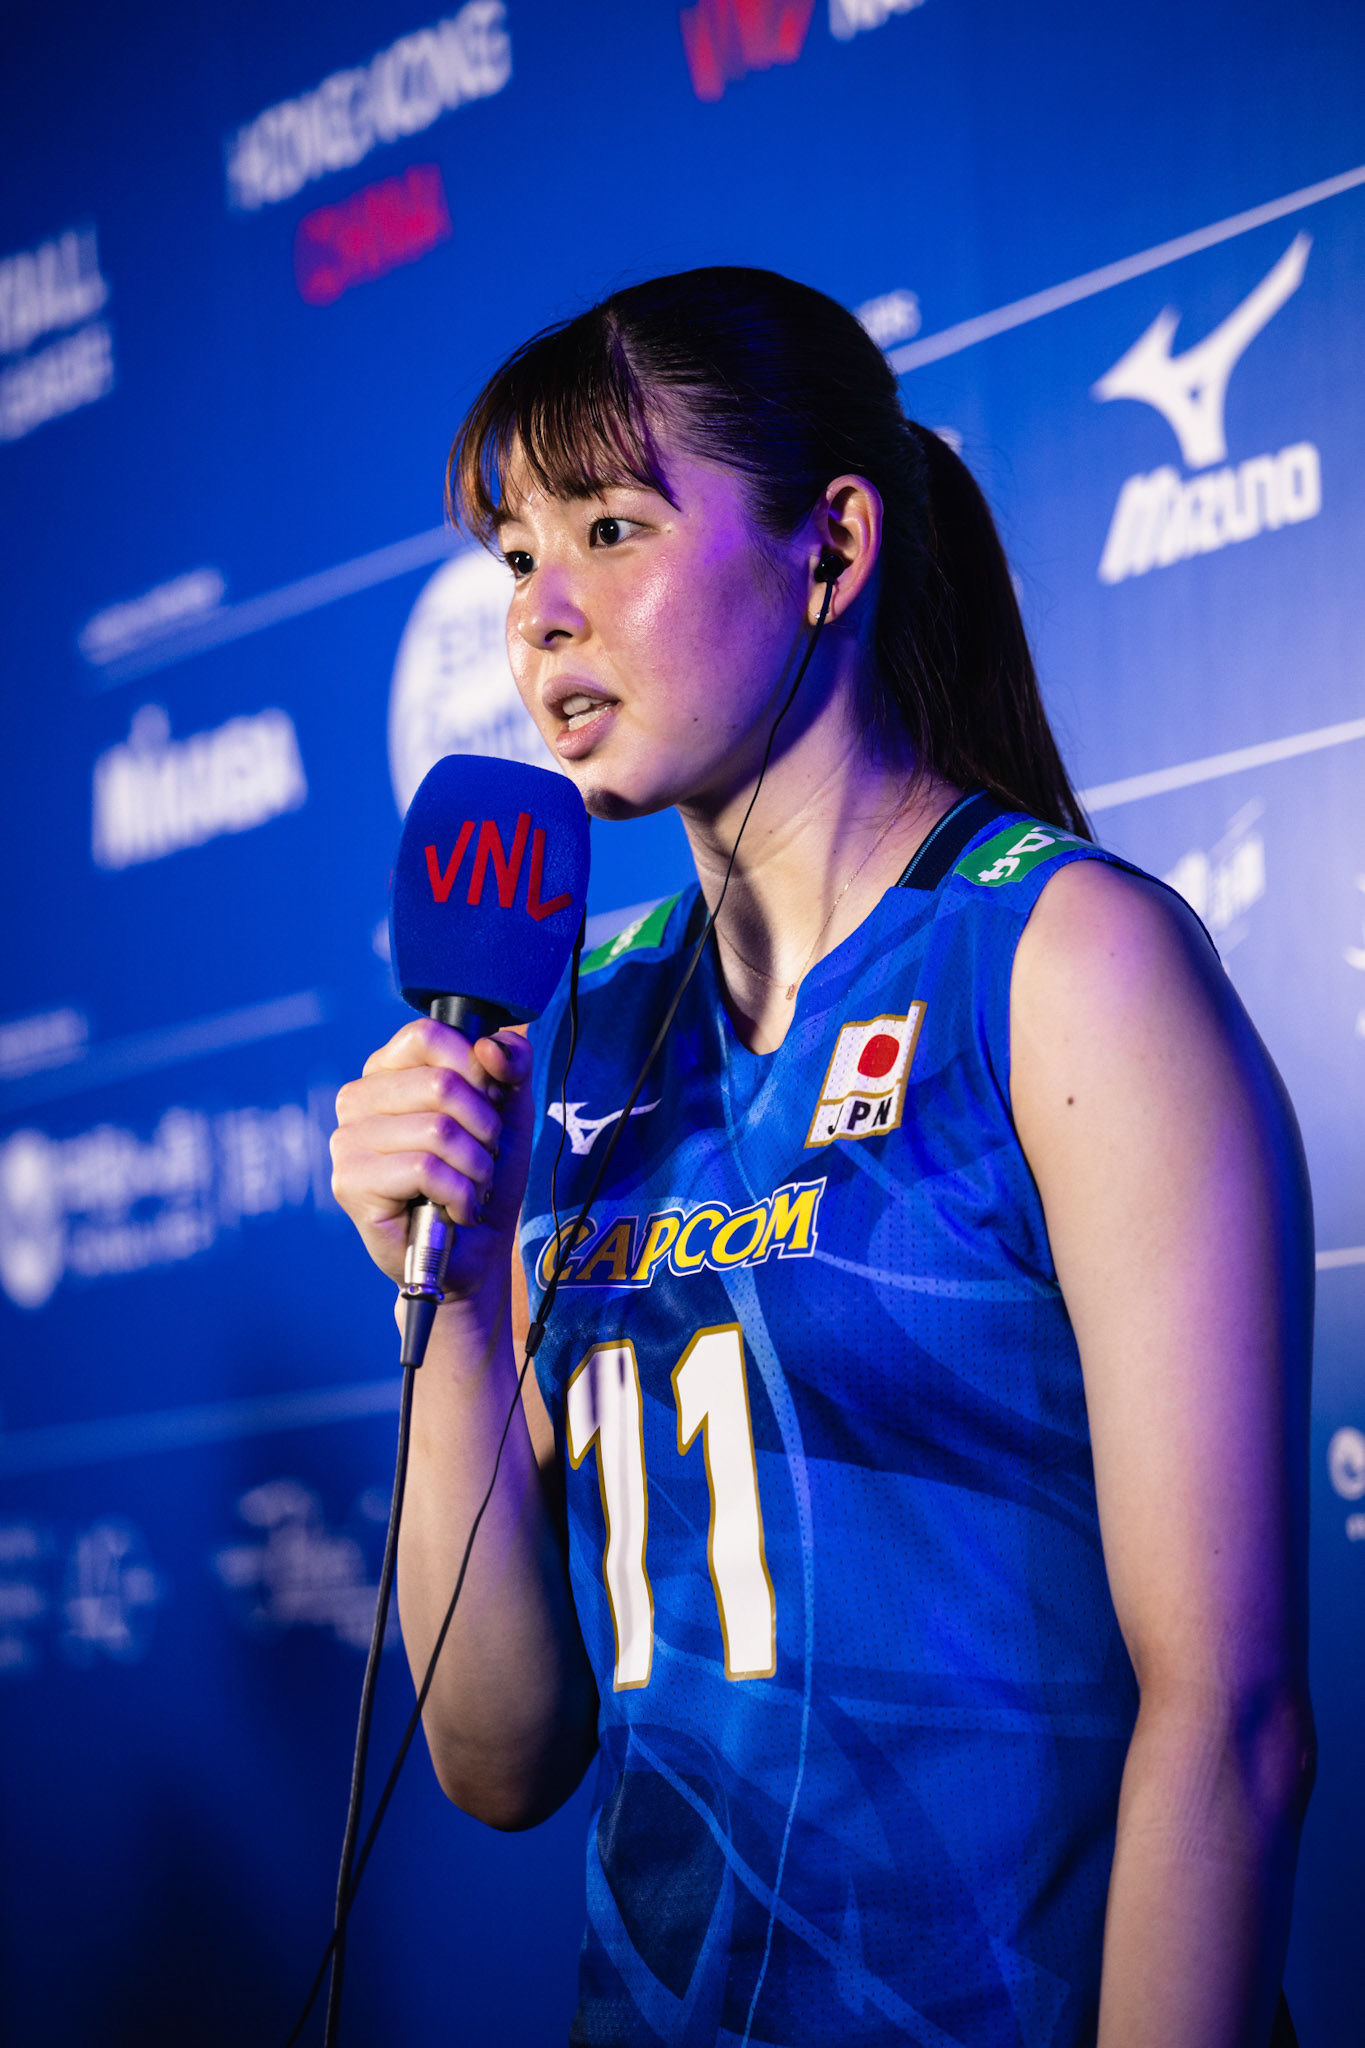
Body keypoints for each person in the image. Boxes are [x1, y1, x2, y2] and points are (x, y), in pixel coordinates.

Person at [330, 268, 1315, 2048]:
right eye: (515, 557)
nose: (539, 614)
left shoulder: (1062, 963)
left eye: (610, 528)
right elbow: (496, 1758)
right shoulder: (578, 1032)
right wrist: (460, 1300)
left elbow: (1228, 1725)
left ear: (829, 549)